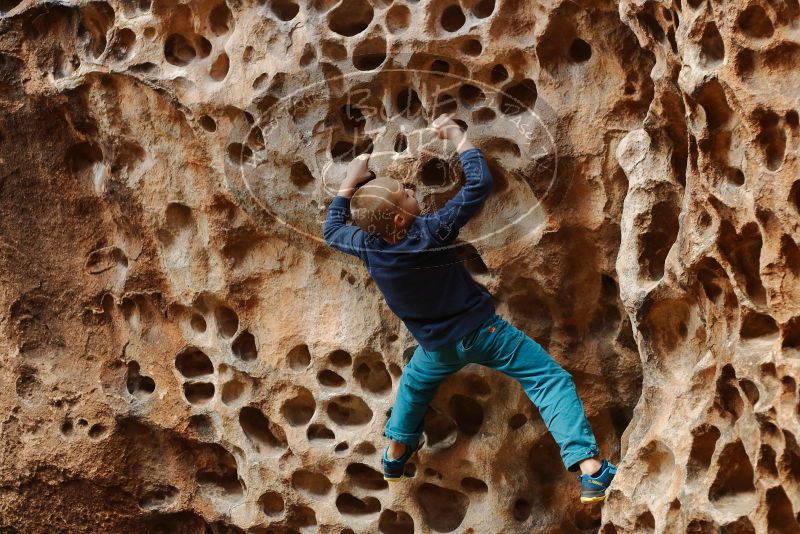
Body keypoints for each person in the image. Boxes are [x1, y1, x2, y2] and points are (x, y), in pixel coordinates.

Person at [322, 115, 617, 503]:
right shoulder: (431, 231)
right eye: (405, 193)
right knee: (550, 380)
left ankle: (395, 454)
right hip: (486, 335)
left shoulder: (368, 247)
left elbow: (332, 229)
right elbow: (478, 185)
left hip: (436, 348)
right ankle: (590, 468)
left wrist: (348, 183)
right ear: (399, 218)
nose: (411, 190)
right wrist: (459, 139)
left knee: (413, 386)